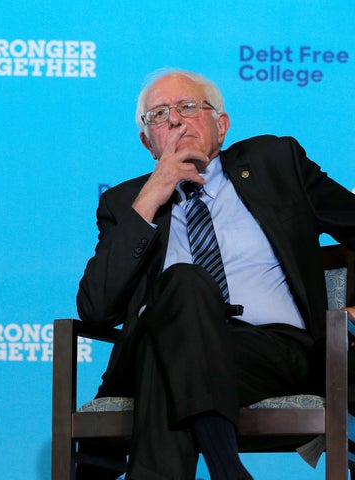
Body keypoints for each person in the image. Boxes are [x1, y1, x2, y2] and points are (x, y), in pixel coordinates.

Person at [76, 68, 355, 479]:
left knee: (166, 360)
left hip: (271, 353)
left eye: (188, 107)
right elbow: (96, 308)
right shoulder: (124, 202)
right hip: (167, 345)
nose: (173, 119)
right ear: (147, 142)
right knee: (184, 283)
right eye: (158, 115)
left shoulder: (275, 163)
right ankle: (226, 467)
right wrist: (152, 195)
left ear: (220, 126)